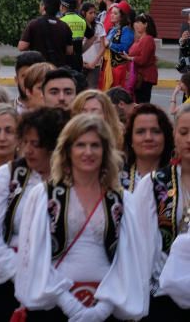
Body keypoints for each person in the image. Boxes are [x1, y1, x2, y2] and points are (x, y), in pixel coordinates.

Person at [14, 113, 147, 322]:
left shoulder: (122, 200)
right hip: (54, 308)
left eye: (95, 145)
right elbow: (33, 255)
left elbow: (130, 258)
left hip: (106, 309)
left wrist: (102, 309)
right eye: (80, 145)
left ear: (105, 151)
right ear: (67, 150)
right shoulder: (43, 195)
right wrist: (70, 305)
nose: (88, 152)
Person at [0, 107, 68, 322]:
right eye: (24, 142)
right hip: (10, 280)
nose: (27, 150)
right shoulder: (8, 175)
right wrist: (23, 271)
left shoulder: (74, 180)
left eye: (35, 144)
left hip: (62, 281)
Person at [138, 103, 190, 317]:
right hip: (161, 296)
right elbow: (140, 245)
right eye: (184, 132)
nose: (189, 139)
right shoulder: (154, 183)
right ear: (174, 136)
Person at [120, 103, 173, 193]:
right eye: (140, 132)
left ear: (165, 137)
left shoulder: (178, 180)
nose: (148, 137)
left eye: (156, 131)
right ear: (131, 140)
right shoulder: (115, 180)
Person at [18, 0, 73, 68]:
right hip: (57, 69)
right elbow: (69, 51)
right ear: (59, 8)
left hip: (38, 68)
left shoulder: (34, 24)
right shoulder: (64, 26)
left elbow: (22, 47)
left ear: (43, 6)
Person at [128, 13, 158, 104]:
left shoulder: (148, 39)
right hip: (139, 76)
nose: (136, 25)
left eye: (139, 22)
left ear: (146, 24)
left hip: (145, 77)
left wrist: (130, 58)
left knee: (142, 103)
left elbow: (142, 60)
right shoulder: (141, 38)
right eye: (136, 22)